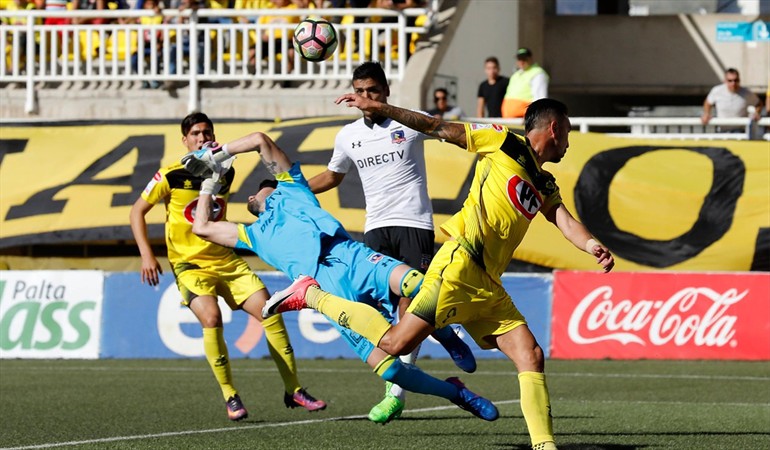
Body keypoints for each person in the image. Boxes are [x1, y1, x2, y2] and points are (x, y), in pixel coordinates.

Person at [266, 97, 615, 450]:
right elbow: (435, 127)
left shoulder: (544, 181)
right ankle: (311, 295)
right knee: (393, 345)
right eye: (568, 132)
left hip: (489, 285)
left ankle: (544, 446)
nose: (569, 142)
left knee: (531, 355)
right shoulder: (502, 141)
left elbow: (564, 220)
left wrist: (591, 246)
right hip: (459, 265)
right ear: (554, 128)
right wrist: (381, 108)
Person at [183, 131, 499, 424]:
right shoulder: (252, 234)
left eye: (259, 189)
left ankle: (445, 337)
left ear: (273, 187)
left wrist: (219, 153)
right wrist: (209, 181)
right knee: (391, 370)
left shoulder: (293, 188)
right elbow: (202, 228)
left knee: (417, 283)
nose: (252, 195)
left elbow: (259, 140)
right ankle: (458, 394)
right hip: (326, 289)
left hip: (348, 254)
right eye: (250, 196)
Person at [307, 61, 476, 424]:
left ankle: (395, 394)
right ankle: (445, 332)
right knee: (384, 312)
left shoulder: (408, 121)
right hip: (375, 228)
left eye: (373, 91)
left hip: (413, 223)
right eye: (360, 91)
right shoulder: (348, 136)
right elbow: (333, 176)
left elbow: (445, 129)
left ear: (385, 92)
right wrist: (292, 190)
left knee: (409, 305)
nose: (366, 98)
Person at [129, 112, 326, 422]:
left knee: (269, 309)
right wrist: (146, 255)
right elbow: (136, 211)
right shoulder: (170, 175)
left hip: (226, 259)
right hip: (190, 264)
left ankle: (294, 389)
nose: (202, 137)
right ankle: (230, 395)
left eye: (207, 132)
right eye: (195, 133)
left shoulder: (225, 173)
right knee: (211, 316)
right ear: (185, 140)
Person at [701, 68, 763, 132]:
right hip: (722, 131)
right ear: (725, 81)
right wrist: (707, 113)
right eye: (730, 80)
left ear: (739, 80)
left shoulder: (746, 92)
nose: (733, 83)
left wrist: (757, 112)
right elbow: (708, 103)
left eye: (736, 80)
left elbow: (758, 103)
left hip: (740, 131)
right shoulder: (717, 91)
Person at [501, 47, 549, 119]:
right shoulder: (516, 74)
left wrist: (533, 117)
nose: (521, 61)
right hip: (509, 119)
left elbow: (540, 98)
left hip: (524, 119)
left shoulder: (537, 73)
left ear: (530, 58)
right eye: (519, 59)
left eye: (524, 59)